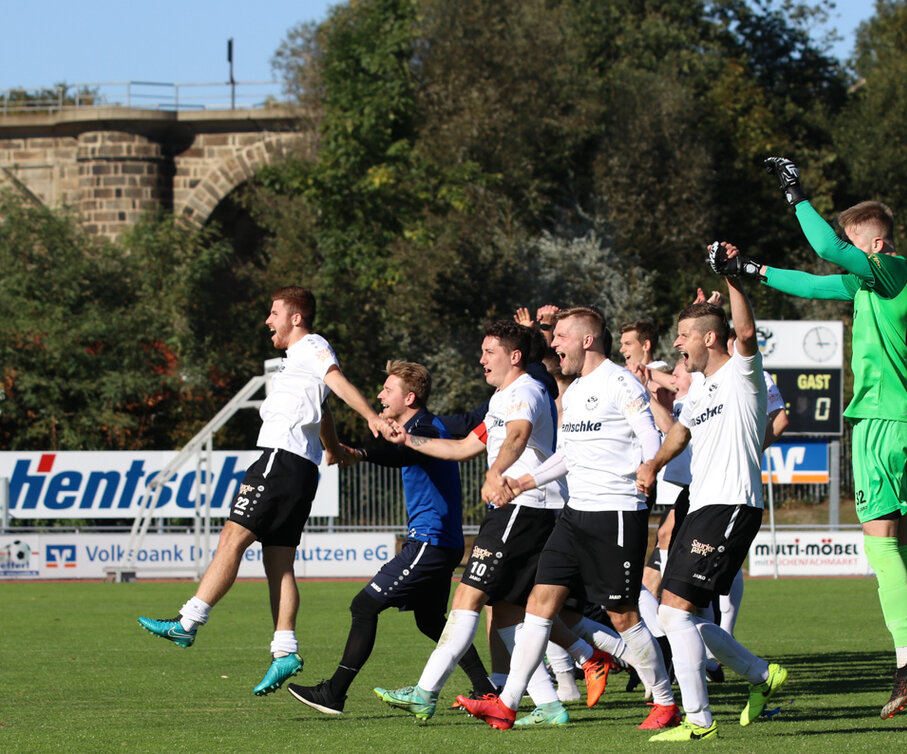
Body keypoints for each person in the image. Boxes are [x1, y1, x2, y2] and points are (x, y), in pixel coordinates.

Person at [721, 156, 907, 719]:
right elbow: (812, 280)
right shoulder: (880, 280)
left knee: (880, 546)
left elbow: (826, 250)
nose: (846, 254)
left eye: (853, 245)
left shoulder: (890, 270)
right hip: (905, 421)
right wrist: (751, 271)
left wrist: (795, 194)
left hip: (878, 422)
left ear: (871, 244)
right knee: (906, 543)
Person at [138, 286, 384, 695]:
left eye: (274, 313)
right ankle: (284, 650)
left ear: (296, 318)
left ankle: (188, 622)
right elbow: (322, 407)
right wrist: (335, 449)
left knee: (232, 538)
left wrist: (371, 416)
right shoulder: (298, 363)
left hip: (279, 462)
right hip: (300, 470)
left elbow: (336, 381)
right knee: (280, 564)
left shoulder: (312, 346)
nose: (268, 320)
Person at [372, 321, 608, 726]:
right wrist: (408, 440)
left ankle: (425, 693)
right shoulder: (502, 397)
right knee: (509, 614)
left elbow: (517, 437)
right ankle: (551, 706)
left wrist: (495, 474)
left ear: (514, 356)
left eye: (488, 352)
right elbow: (465, 446)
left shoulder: (525, 393)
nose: (481, 360)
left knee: (466, 600)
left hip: (523, 507)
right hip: (522, 508)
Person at [456, 306, 680, 732]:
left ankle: (666, 701)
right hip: (574, 515)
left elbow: (651, 435)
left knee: (622, 615)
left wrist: (649, 468)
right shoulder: (573, 391)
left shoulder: (620, 382)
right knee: (538, 603)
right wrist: (522, 481)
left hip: (615, 513)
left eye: (560, 336)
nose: (553, 343)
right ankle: (506, 704)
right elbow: (568, 456)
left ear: (587, 340)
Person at [285, 360, 495, 713]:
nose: (380, 396)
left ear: (409, 397)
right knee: (430, 621)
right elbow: (479, 412)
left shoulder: (424, 427)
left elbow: (402, 453)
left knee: (364, 606)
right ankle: (486, 689)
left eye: (388, 390)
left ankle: (334, 693)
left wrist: (363, 453)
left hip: (430, 540)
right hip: (440, 541)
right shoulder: (437, 424)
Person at [634, 262, 785, 741]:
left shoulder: (744, 374)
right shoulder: (700, 391)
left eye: (683, 335)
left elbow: (744, 331)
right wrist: (653, 465)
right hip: (700, 506)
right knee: (675, 614)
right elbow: (678, 433)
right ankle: (761, 675)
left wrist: (733, 278)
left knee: (676, 613)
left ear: (711, 340)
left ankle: (698, 721)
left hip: (732, 506)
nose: (676, 344)